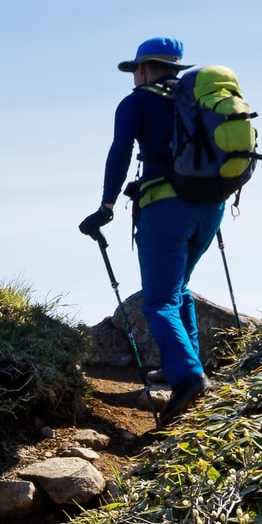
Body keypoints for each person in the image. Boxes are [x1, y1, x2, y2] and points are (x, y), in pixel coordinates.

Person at [79, 36, 223, 428]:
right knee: (179, 286)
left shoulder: (137, 102)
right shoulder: (199, 100)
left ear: (143, 68)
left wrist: (106, 206)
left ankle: (189, 377)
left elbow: (121, 151)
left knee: (158, 300)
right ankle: (185, 363)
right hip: (211, 207)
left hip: (166, 209)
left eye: (134, 71)